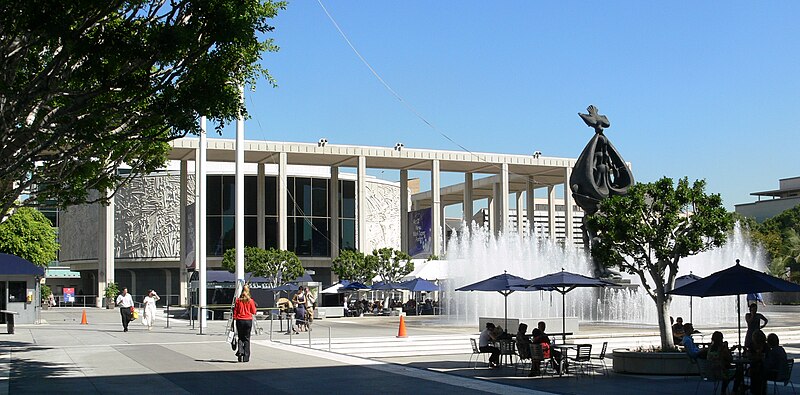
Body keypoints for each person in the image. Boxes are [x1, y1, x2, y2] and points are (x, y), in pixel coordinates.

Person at [234, 285, 257, 362]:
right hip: (248, 320)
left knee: (240, 337)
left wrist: (235, 318)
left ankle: (240, 351)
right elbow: (254, 311)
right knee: (247, 338)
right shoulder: (250, 301)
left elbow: (235, 311)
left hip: (239, 320)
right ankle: (246, 356)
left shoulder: (238, 300)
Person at [749, 329, 769, 395]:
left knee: (755, 371)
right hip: (763, 368)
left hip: (762, 369)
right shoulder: (765, 346)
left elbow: (761, 358)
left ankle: (755, 390)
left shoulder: (765, 347)